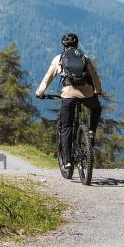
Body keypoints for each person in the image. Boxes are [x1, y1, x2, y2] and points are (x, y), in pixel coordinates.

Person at [35, 33, 103, 171]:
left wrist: (40, 92)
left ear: (63, 46)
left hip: (69, 95)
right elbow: (94, 76)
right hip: (87, 94)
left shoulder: (59, 59)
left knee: (66, 127)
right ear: (77, 45)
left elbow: (48, 77)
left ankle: (67, 161)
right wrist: (97, 90)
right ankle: (90, 131)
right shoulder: (85, 57)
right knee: (96, 109)